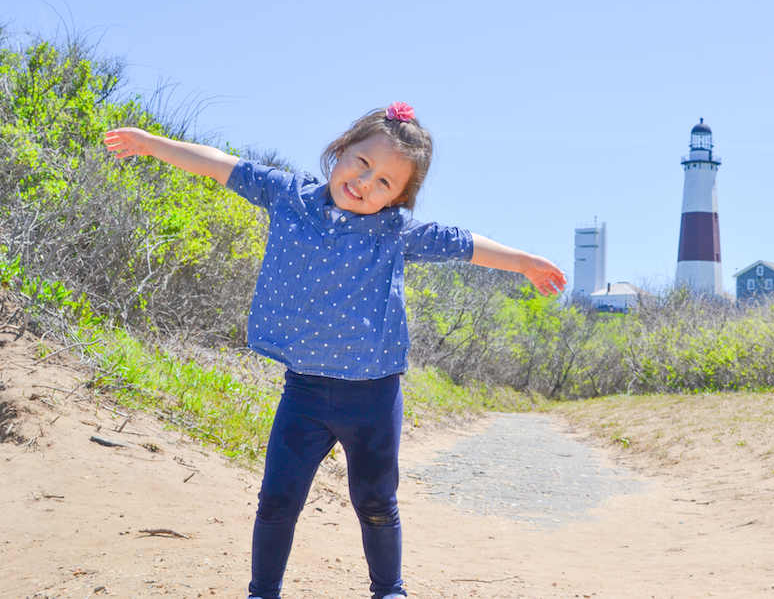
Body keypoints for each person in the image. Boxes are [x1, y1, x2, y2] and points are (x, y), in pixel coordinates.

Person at [103, 102, 566, 599]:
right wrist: (151, 144)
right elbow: (219, 163)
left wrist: (524, 263)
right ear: (341, 149)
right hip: (303, 390)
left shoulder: (392, 232)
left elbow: (462, 243)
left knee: (375, 503)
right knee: (277, 501)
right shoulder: (289, 195)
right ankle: (263, 592)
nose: (366, 183)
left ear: (399, 199)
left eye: (385, 183)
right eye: (362, 163)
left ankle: (389, 590)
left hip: (372, 396)